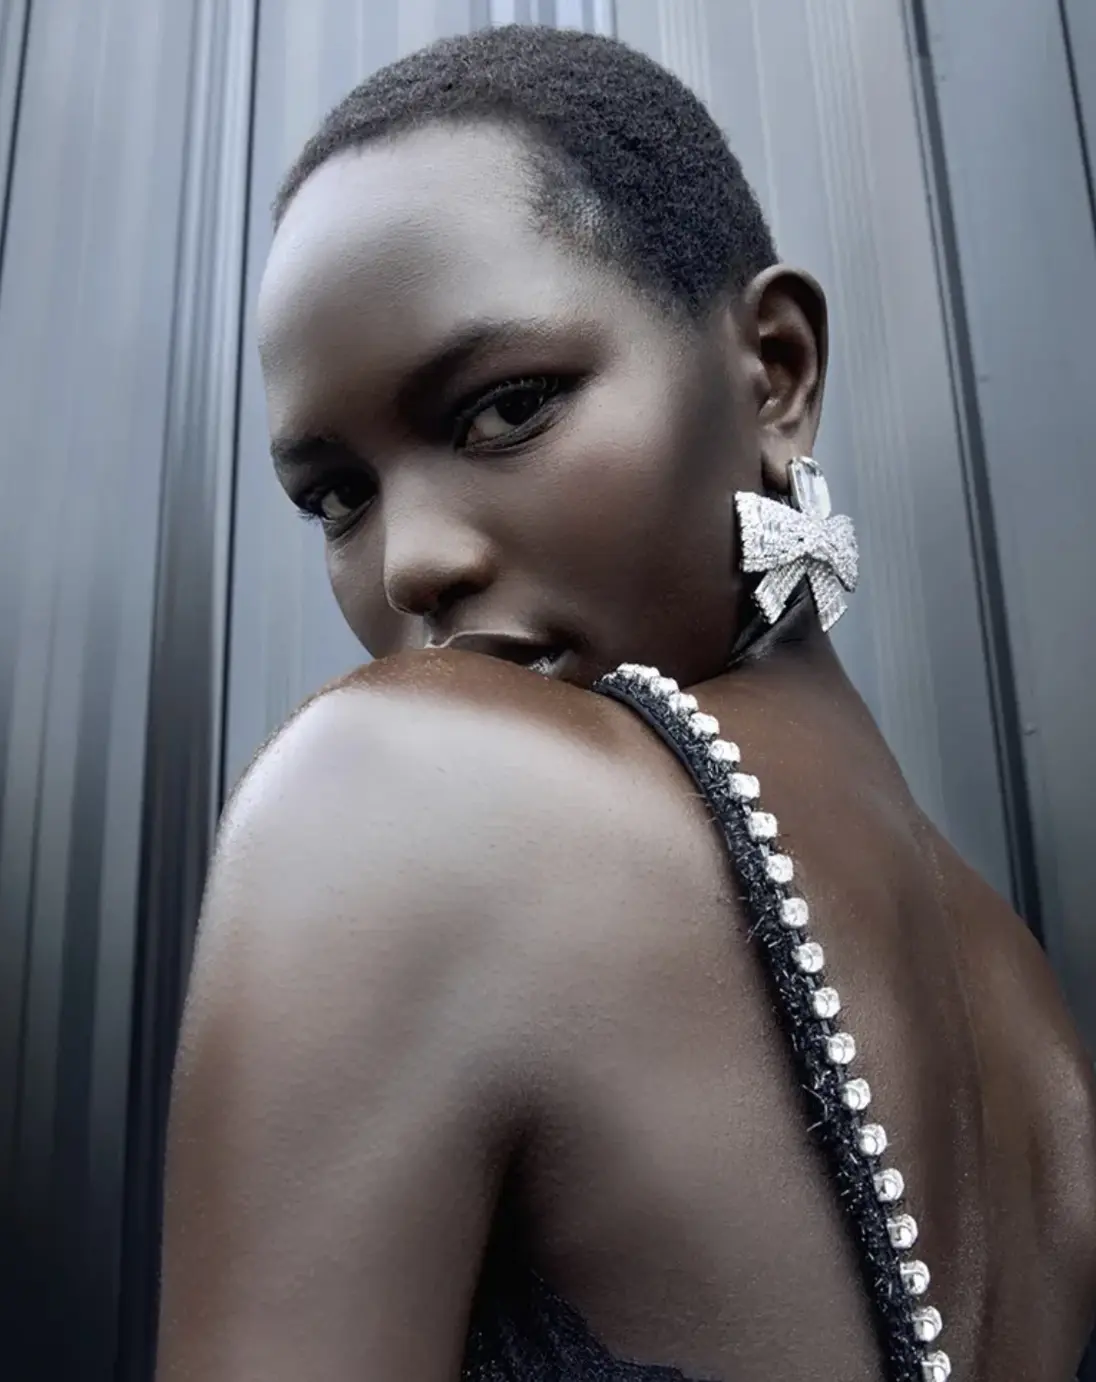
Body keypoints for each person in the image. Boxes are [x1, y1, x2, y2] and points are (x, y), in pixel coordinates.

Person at [155, 25, 1096, 1382]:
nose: (409, 563)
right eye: (338, 498)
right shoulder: (1044, 1048)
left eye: (505, 409)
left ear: (775, 369)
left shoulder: (391, 803)